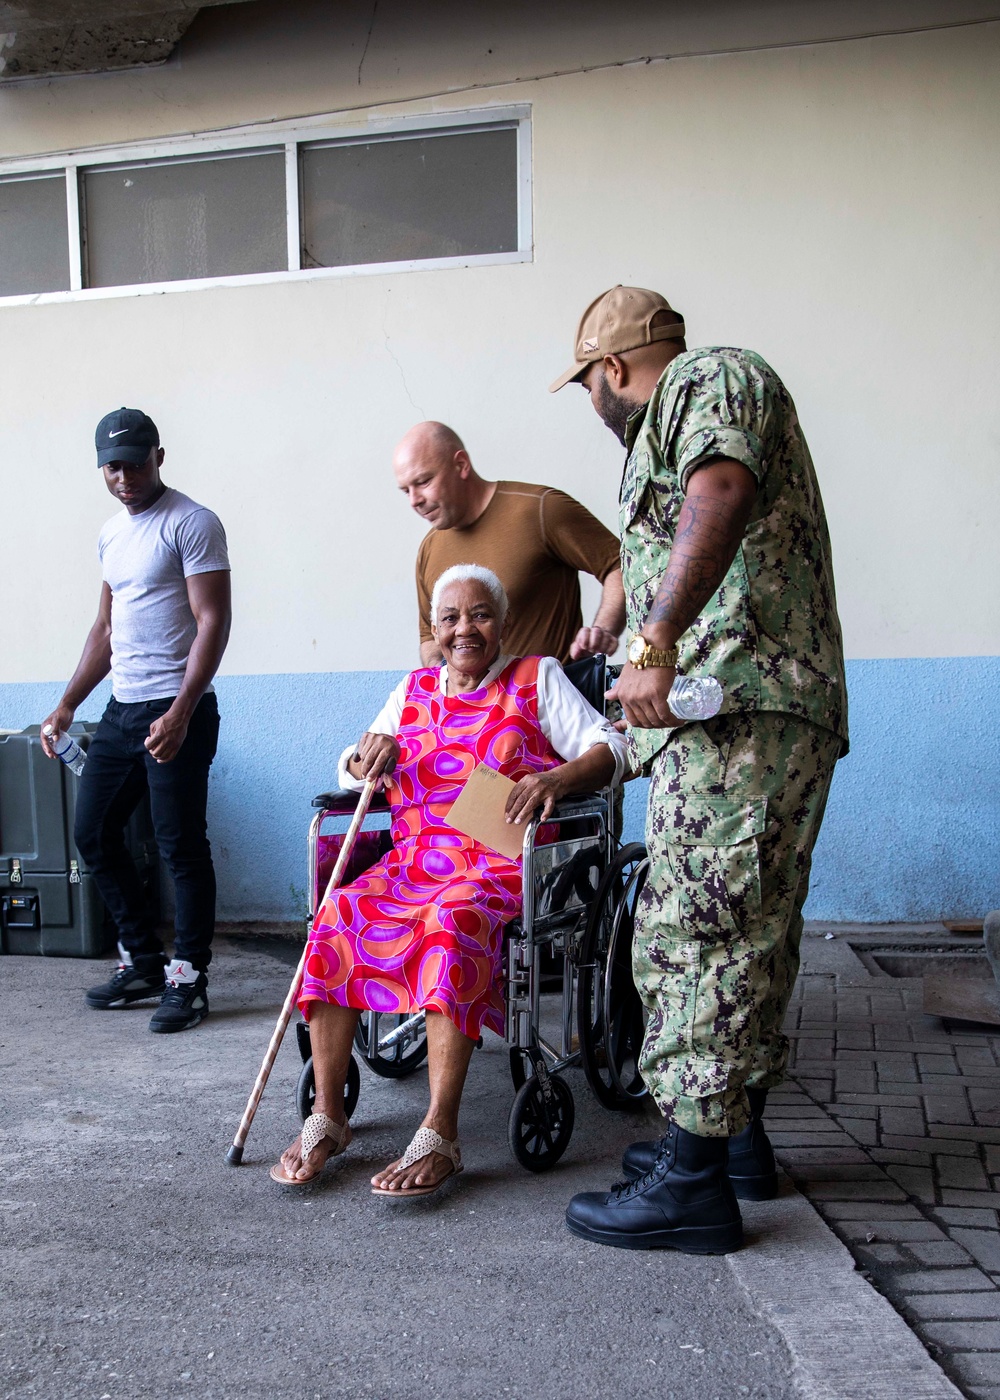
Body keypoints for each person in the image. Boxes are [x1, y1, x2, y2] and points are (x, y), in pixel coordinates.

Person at [550, 286, 848, 1254]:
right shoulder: (678, 428)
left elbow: (719, 492)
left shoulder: (706, 381)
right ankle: (729, 1143)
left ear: (611, 369)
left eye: (589, 386)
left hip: (740, 717)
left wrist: (662, 635)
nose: (594, 406)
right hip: (735, 720)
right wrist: (622, 617)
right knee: (742, 925)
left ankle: (690, 1182)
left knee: (694, 934)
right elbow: (685, 530)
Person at [271, 564, 627, 1195]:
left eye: (480, 615)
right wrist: (364, 756)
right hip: (414, 863)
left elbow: (613, 749)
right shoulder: (412, 688)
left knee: (450, 922)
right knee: (338, 913)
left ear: (503, 622)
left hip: (497, 869)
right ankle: (328, 1116)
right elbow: (353, 767)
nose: (465, 629)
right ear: (433, 628)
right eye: (451, 618)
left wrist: (554, 779)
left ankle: (440, 1133)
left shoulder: (536, 677)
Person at [41, 408, 231, 1033]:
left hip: (180, 709)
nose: (123, 477)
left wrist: (182, 710)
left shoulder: (192, 522)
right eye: (112, 466)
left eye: (134, 462)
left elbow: (213, 621)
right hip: (122, 711)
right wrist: (68, 702)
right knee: (92, 831)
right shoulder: (111, 534)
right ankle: (143, 961)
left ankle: (189, 979)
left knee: (179, 846)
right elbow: (104, 628)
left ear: (160, 456)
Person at [393, 420, 625, 664]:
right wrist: (441, 683)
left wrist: (603, 630)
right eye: (406, 490)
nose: (414, 500)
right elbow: (429, 638)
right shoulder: (429, 548)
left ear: (461, 465)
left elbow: (620, 565)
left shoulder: (540, 509)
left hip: (555, 698)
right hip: (468, 703)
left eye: (423, 482)